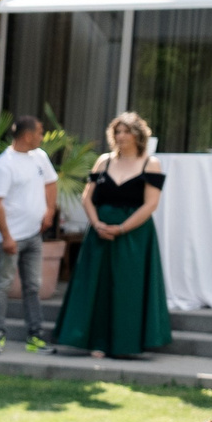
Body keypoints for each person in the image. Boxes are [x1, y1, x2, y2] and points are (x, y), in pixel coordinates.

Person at [56, 113, 170, 360]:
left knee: (128, 288)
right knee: (96, 286)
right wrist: (97, 224)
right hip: (100, 234)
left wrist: (121, 229)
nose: (121, 136)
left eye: (126, 131)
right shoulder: (103, 162)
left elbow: (150, 205)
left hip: (134, 237)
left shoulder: (150, 164)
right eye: (117, 132)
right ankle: (94, 342)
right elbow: (87, 197)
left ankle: (126, 343)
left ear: (138, 135)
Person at [0, 115, 59, 355]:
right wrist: (7, 237)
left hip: (34, 236)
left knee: (32, 287)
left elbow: (51, 183)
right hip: (10, 238)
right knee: (3, 285)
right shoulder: (3, 165)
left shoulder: (40, 158)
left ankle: (35, 336)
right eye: (39, 132)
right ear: (27, 135)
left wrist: (50, 210)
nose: (42, 136)